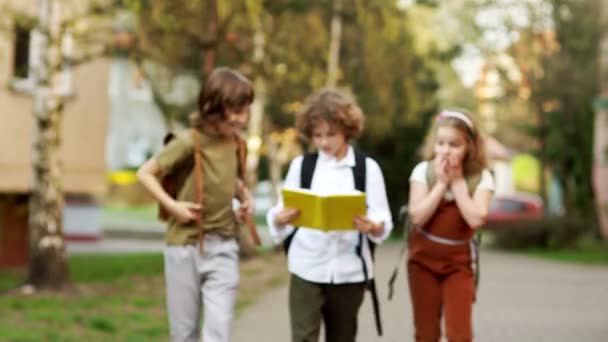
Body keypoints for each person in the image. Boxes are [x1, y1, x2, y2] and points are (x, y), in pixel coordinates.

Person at [137, 67, 254, 342]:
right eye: (236, 111)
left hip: (224, 244)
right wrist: (173, 206)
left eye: (246, 110)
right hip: (185, 245)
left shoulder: (237, 144)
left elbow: (230, 180)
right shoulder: (190, 141)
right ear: (214, 108)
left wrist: (244, 197)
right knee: (184, 332)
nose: (243, 118)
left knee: (219, 331)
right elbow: (145, 173)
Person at [266, 88, 393, 342]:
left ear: (347, 129)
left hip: (349, 270)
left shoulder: (367, 169)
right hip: (307, 266)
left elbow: (383, 220)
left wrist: (372, 226)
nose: (324, 143)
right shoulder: (302, 166)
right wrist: (279, 219)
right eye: (317, 135)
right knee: (303, 338)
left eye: (331, 135)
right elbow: (281, 212)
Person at [406, 110, 494, 342]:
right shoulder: (422, 172)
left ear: (469, 148)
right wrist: (440, 185)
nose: (445, 151)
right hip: (422, 262)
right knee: (426, 333)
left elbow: (476, 218)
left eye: (454, 144)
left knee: (459, 334)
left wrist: (456, 184)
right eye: (440, 143)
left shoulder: (481, 177)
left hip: (458, 265)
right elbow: (417, 216)